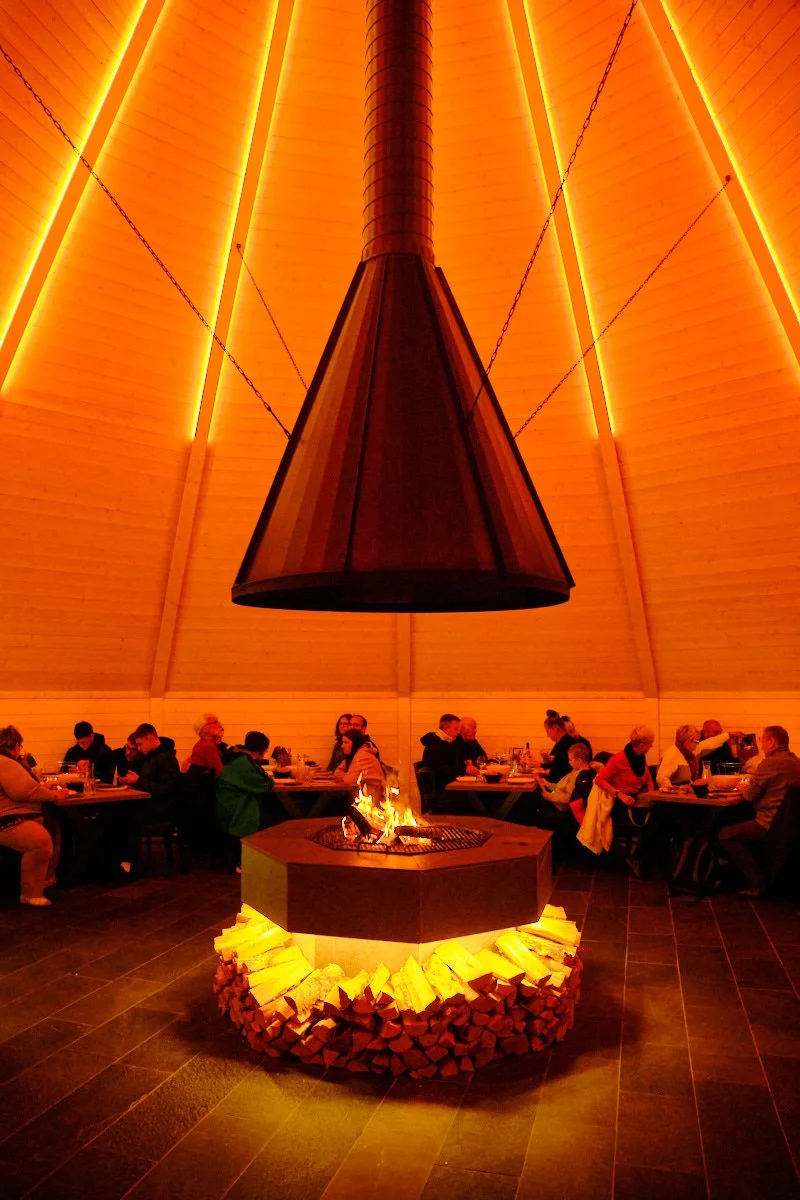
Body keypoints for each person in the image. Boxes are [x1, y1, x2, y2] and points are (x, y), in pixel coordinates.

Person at [719, 726, 800, 897]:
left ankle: (758, 882)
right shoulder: (796, 762)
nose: (761, 746)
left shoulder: (769, 763)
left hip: (769, 823)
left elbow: (749, 796)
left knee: (726, 834)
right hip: (791, 825)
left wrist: (743, 786)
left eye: (763, 741)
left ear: (771, 742)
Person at [0, 725, 69, 906]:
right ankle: (31, 892)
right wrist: (54, 795)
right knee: (39, 841)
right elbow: (23, 791)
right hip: (7, 819)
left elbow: (25, 787)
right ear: (14, 745)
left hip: (11, 814)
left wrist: (44, 789)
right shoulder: (5, 762)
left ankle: (42, 882)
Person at [216, 731, 275, 841]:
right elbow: (264, 784)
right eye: (265, 751)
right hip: (237, 812)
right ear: (259, 751)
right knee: (275, 815)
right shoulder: (244, 763)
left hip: (226, 806)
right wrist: (271, 781)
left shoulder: (238, 756)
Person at [655, 724, 735, 788]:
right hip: (675, 801)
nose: (698, 744)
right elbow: (661, 779)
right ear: (688, 740)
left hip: (685, 795)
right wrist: (673, 793)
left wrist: (728, 735)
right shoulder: (672, 754)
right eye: (696, 741)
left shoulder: (690, 751)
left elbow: (710, 743)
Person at [420, 714, 464, 796]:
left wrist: (464, 764)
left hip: (449, 786)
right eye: (456, 729)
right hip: (441, 791)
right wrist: (463, 769)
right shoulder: (434, 745)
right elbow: (441, 771)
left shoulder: (449, 742)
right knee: (471, 795)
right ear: (446, 728)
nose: (458, 732)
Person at [334, 729, 384, 796]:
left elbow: (350, 781)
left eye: (346, 742)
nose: (342, 746)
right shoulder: (354, 755)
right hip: (359, 794)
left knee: (330, 796)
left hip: (370, 798)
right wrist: (346, 775)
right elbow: (337, 772)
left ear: (355, 743)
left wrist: (344, 776)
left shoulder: (363, 756)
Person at [540, 711, 580, 783]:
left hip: (561, 785)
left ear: (554, 728)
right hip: (558, 782)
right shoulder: (561, 742)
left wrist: (539, 766)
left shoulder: (566, 743)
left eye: (547, 731)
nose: (547, 735)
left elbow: (558, 772)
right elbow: (554, 764)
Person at [183, 713, 225, 778]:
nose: (220, 725)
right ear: (205, 729)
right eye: (215, 722)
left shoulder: (201, 744)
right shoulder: (207, 746)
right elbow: (219, 772)